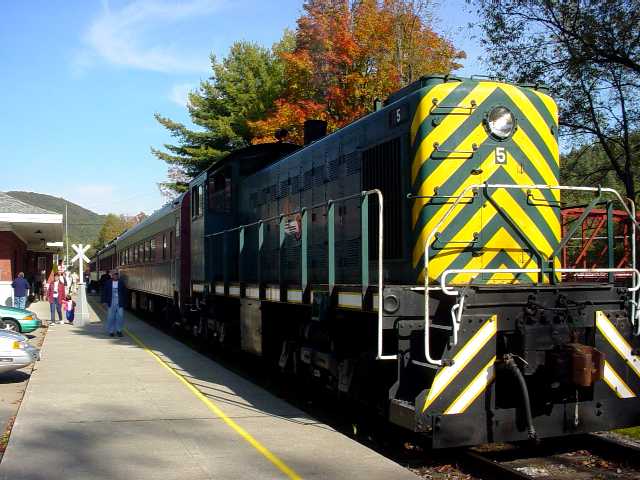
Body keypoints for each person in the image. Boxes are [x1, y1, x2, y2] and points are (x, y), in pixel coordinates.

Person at [101, 271, 127, 337]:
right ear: (112, 276)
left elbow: (125, 293)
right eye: (114, 275)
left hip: (119, 302)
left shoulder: (121, 283)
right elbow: (104, 292)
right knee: (110, 317)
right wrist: (104, 301)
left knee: (120, 317)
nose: (115, 276)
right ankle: (111, 331)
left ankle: (119, 331)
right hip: (111, 302)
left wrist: (125, 302)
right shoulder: (108, 283)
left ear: (118, 276)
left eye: (116, 275)